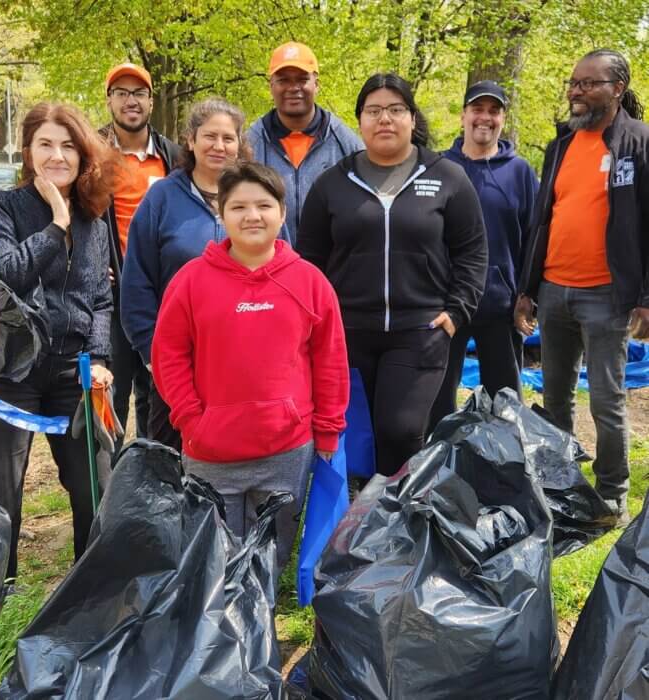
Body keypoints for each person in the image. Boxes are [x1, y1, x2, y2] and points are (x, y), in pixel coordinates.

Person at [151, 161, 349, 570]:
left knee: (269, 561)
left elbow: (330, 361)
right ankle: (219, 633)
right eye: (238, 207)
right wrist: (191, 420)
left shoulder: (310, 282)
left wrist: (328, 431)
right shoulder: (191, 280)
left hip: (286, 449)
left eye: (263, 205)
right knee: (213, 562)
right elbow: (168, 354)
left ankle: (261, 628)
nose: (252, 216)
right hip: (210, 451)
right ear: (221, 215)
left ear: (282, 212)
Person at [297, 73, 487, 477]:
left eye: (396, 110)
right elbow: (309, 259)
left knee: (400, 430)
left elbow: (472, 252)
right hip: (346, 332)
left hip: (420, 329)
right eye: (374, 111)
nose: (385, 119)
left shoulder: (447, 177)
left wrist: (456, 313)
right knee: (352, 433)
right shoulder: (333, 184)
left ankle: (396, 522)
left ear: (412, 119)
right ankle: (354, 519)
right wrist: (314, 320)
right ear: (360, 122)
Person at [0, 103, 117, 578]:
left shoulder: (95, 222)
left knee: (95, 484)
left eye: (68, 146)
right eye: (46, 144)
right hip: (10, 368)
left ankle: (89, 590)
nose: (57, 156)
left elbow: (101, 299)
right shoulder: (0, 206)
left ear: (82, 156)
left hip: (73, 368)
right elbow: (7, 273)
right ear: (28, 151)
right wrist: (55, 224)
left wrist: (98, 359)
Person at [515, 49, 649, 526]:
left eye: (588, 83)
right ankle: (559, 483)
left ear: (616, 88)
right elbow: (541, 221)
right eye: (573, 82)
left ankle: (612, 496)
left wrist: (646, 297)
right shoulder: (561, 146)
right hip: (553, 291)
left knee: (607, 401)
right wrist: (527, 288)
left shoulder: (637, 142)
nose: (576, 91)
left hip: (607, 297)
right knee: (555, 396)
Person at [121, 98, 284, 450]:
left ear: (240, 145)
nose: (219, 146)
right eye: (210, 136)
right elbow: (136, 283)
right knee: (171, 467)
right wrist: (154, 356)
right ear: (190, 141)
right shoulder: (162, 197)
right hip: (174, 366)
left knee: (236, 462)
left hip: (244, 366)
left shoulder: (256, 199)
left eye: (228, 138)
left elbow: (281, 271)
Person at [430, 80, 538, 426]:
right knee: (436, 400)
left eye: (494, 111)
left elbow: (534, 236)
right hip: (446, 304)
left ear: (503, 119)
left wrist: (528, 294)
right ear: (463, 115)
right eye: (478, 109)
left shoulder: (519, 171)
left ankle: (508, 474)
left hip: (500, 305)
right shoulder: (439, 168)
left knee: (506, 406)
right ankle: (436, 472)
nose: (485, 118)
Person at [100, 62, 180, 462]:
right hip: (110, 298)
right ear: (110, 101)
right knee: (111, 398)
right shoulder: (92, 154)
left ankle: (155, 488)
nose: (131, 101)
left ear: (151, 101)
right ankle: (110, 499)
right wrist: (89, 262)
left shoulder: (174, 157)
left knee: (158, 395)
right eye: (122, 93)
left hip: (160, 297)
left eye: (139, 93)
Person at [247, 41, 363, 244]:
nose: (293, 88)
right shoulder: (250, 145)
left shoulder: (347, 144)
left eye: (302, 79)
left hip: (329, 270)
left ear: (316, 84)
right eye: (283, 80)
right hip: (267, 268)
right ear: (271, 85)